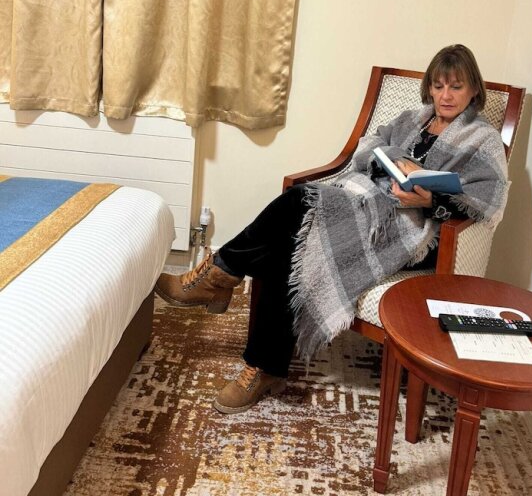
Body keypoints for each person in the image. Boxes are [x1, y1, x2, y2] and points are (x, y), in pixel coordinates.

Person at [155, 44, 509, 415]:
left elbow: (484, 200)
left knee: (297, 201)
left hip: (413, 232)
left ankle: (220, 276)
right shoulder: (413, 119)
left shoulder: (482, 138)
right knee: (291, 238)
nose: (445, 95)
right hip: (366, 205)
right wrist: (394, 163)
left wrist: (429, 201)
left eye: (456, 86)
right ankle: (264, 367)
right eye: (438, 86)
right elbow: (370, 145)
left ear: (473, 89)